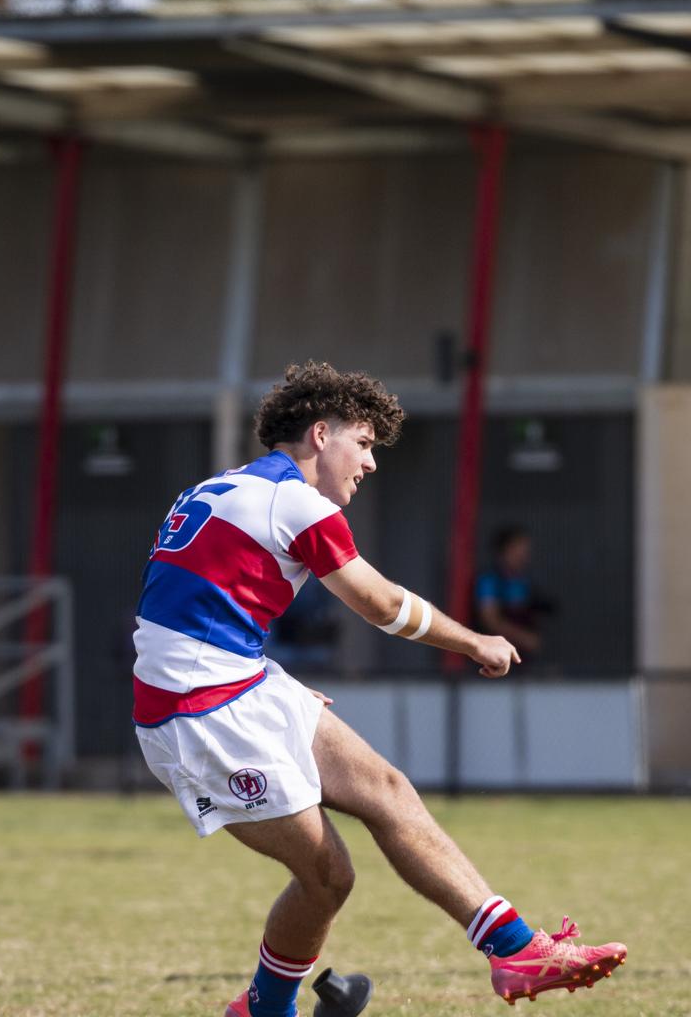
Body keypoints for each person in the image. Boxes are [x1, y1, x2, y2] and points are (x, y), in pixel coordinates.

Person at [132, 362, 626, 1016]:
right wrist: (473, 641)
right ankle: (264, 1010)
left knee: (387, 791)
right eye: (362, 443)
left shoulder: (218, 487)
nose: (369, 464)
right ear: (319, 434)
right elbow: (381, 604)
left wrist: (270, 686)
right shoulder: (297, 503)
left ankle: (517, 952)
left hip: (237, 683)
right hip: (203, 713)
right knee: (328, 877)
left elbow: (191, 606)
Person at [475, 526, 553, 662]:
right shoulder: (489, 580)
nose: (524, 556)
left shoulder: (524, 582)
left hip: (522, 660)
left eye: (526, 551)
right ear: (505, 550)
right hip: (494, 658)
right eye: (519, 549)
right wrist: (524, 638)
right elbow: (491, 621)